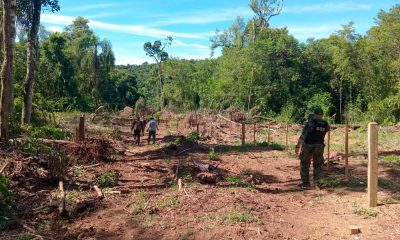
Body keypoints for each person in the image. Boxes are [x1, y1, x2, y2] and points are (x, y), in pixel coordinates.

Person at [295, 107, 330, 188]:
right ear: (322, 115)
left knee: (304, 164)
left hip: (308, 146)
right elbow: (328, 129)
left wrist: (297, 146)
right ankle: (317, 183)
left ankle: (306, 184)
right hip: (319, 147)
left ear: (314, 114)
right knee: (318, 165)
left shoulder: (310, 123)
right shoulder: (325, 123)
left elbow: (302, 137)